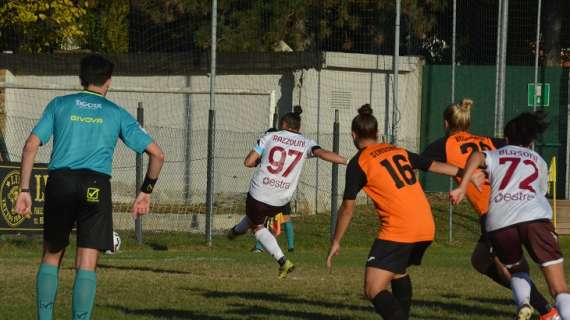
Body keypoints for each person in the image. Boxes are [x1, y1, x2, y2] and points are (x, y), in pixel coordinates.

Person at [15, 54, 165, 320]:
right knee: (87, 262)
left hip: (60, 183)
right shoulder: (116, 113)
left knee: (52, 254)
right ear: (109, 81)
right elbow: (157, 154)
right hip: (96, 186)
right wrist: (145, 193)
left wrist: (24, 190)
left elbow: (30, 145)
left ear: (81, 78)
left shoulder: (59, 104)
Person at [326, 104, 483, 320]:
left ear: (353, 135)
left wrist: (336, 240)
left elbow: (347, 208)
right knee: (397, 271)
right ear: (377, 133)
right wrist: (468, 173)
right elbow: (434, 166)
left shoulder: (359, 163)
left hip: (400, 229)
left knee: (373, 288)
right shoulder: (396, 150)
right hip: (426, 225)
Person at [422, 99, 558, 319]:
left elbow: (422, 162)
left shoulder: (443, 145)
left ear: (446, 124)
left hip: (495, 212)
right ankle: (541, 304)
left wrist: (463, 171)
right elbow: (518, 153)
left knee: (506, 264)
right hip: (518, 204)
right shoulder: (488, 141)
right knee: (480, 260)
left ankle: (545, 310)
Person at [451, 111, 569, 320]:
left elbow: (477, 156)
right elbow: (539, 192)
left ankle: (523, 302)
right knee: (559, 287)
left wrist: (462, 186)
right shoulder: (539, 161)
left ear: (506, 139)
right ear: (531, 141)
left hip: (499, 222)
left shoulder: (497, 154)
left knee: (518, 270)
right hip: (533, 218)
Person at [228, 105, 346, 279]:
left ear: (283, 123)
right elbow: (322, 154)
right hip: (282, 199)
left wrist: (259, 161)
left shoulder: (271, 136)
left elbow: (248, 162)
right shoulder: (307, 142)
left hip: (260, 192)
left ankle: (283, 261)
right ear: (298, 128)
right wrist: (347, 160)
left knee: (257, 226)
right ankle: (236, 231)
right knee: (256, 217)